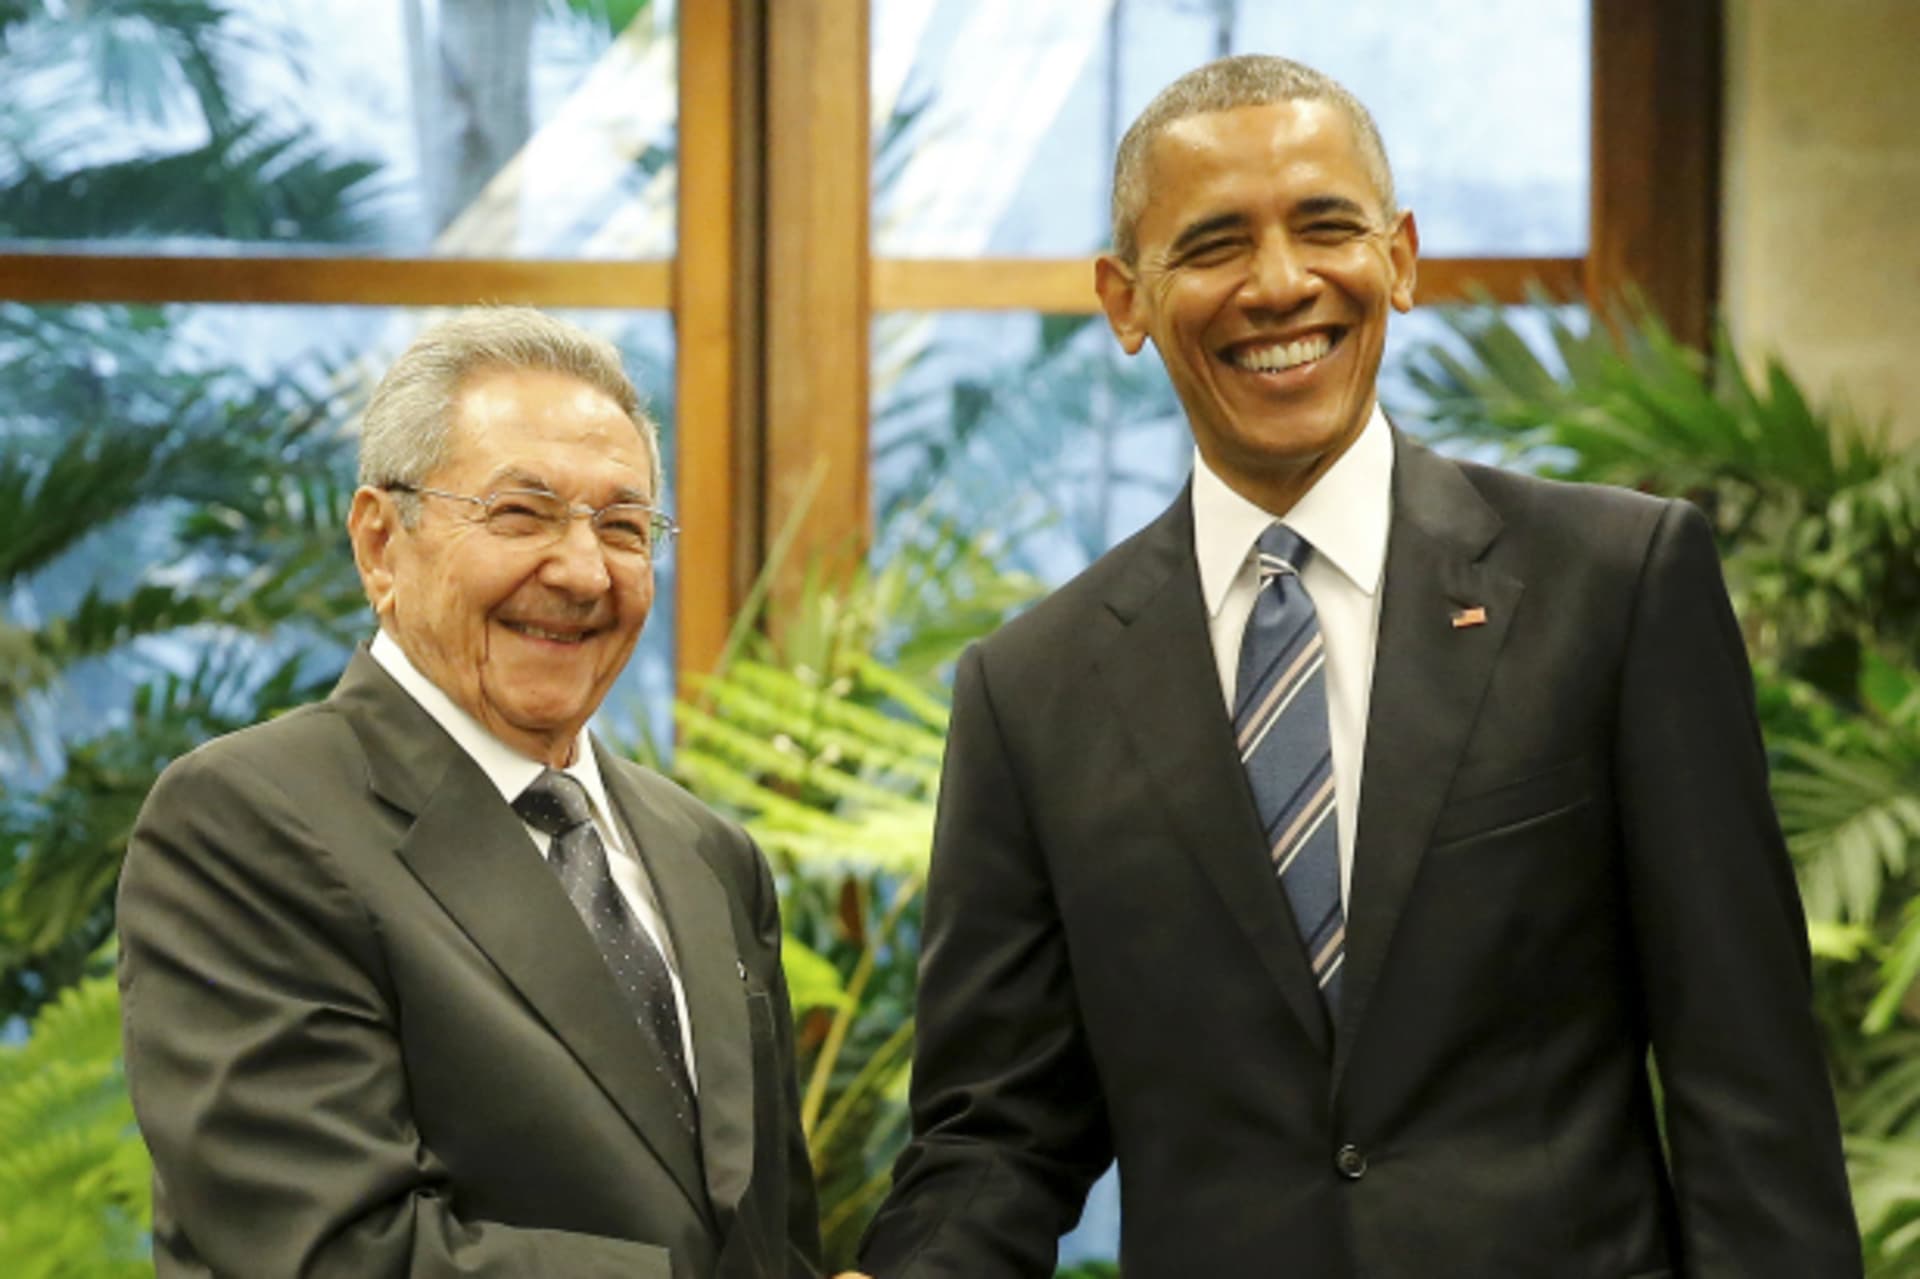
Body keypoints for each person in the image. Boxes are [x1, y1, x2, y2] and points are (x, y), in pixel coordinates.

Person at [848, 54, 1861, 1278]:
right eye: (1215, 245)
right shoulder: (1029, 690)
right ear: (1125, 300)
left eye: (1327, 227)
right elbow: (999, 1134)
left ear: (1402, 257)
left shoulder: (1615, 584)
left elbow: (1746, 1085)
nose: (1281, 285)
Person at [118, 308, 822, 1278]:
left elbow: (767, 1238)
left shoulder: (708, 852)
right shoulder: (248, 822)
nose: (581, 571)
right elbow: (334, 1254)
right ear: (379, 543)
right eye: (520, 514)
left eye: (623, 526)